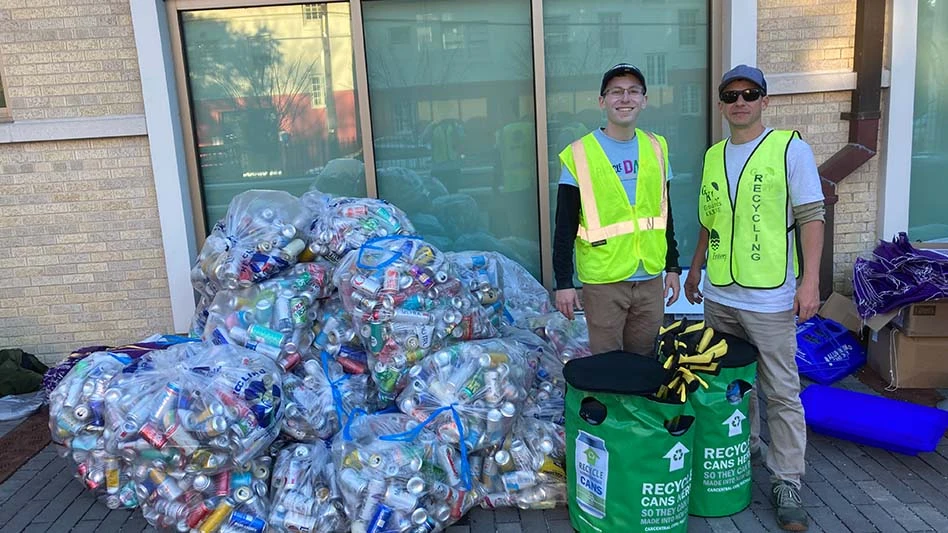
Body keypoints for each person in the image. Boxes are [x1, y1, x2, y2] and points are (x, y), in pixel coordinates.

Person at [684, 65, 824, 531]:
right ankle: (743, 453)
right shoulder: (713, 155)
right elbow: (709, 219)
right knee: (730, 387)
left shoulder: (790, 148)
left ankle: (787, 480)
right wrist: (696, 267)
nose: (739, 101)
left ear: (764, 100)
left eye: (750, 93)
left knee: (780, 391)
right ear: (721, 104)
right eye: (731, 95)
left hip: (769, 297)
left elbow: (811, 217)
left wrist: (810, 283)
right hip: (719, 294)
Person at [553, 63, 681, 357]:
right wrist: (563, 282)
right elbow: (564, 225)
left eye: (634, 91)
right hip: (604, 282)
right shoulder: (580, 153)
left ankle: (639, 405)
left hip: (649, 277)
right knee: (607, 366)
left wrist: (673, 267)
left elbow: (665, 215)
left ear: (645, 100)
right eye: (616, 92)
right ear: (602, 101)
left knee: (644, 361)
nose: (626, 98)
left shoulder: (657, 147)